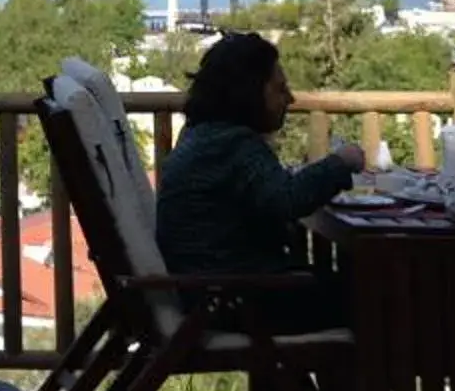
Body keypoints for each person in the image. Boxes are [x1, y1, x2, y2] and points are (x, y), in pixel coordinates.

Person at [153, 30, 362, 333]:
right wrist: (341, 162)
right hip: (232, 299)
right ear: (250, 91)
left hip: (207, 292)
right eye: (279, 89)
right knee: (375, 298)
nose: (289, 98)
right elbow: (286, 199)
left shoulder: (202, 135)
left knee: (346, 287)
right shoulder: (234, 144)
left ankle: (304, 382)